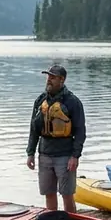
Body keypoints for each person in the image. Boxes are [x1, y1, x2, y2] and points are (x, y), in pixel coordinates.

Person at [26, 65, 86, 212]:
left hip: (64, 155)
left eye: (52, 77)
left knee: (67, 194)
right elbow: (33, 129)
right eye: (48, 77)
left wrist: (75, 156)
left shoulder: (73, 102)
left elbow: (80, 132)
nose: (49, 80)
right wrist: (30, 153)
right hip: (45, 154)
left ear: (62, 80)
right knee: (48, 192)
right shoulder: (40, 101)